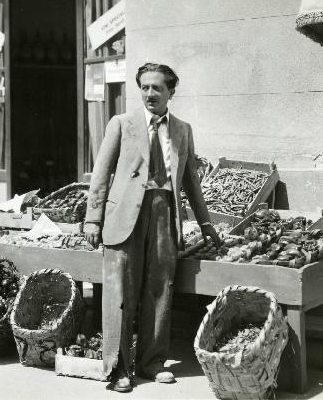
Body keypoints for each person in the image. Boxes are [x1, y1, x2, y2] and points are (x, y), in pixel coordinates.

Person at [84, 62, 221, 393]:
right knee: (120, 293)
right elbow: (101, 173)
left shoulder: (182, 130)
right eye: (144, 87)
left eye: (157, 88)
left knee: (160, 290)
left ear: (170, 92)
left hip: (164, 214)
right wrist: (92, 217)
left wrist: (205, 223)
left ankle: (152, 362)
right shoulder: (122, 124)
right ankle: (116, 368)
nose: (149, 94)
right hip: (124, 218)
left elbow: (190, 181)